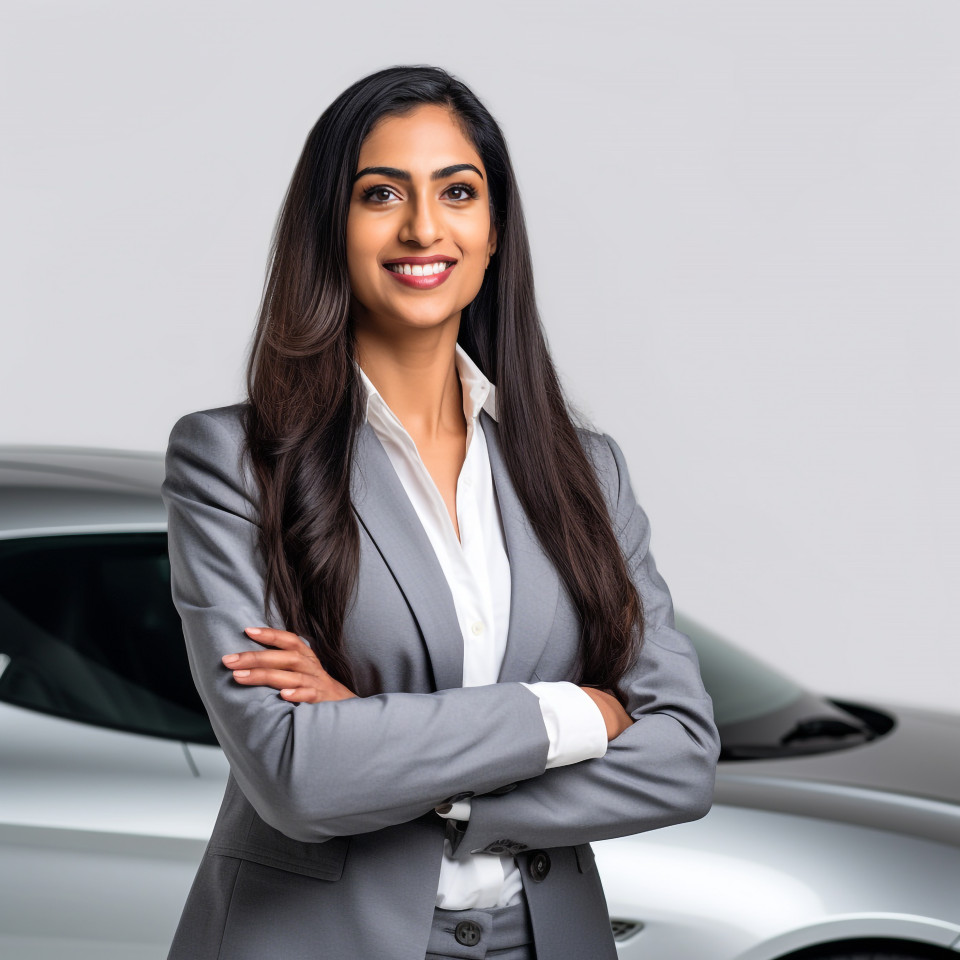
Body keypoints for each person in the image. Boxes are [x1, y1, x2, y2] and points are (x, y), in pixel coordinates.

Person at [160, 64, 720, 960]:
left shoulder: (586, 472)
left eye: (457, 192)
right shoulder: (234, 462)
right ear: (330, 228)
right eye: (381, 194)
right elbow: (296, 775)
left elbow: (683, 756)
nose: (424, 227)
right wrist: (570, 715)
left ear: (494, 231)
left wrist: (391, 749)